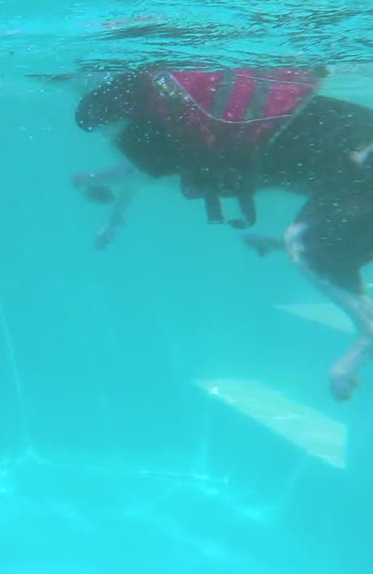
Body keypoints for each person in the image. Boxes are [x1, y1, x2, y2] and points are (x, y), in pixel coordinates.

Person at [71, 65, 373, 402]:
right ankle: (315, 248)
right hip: (351, 146)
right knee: (310, 241)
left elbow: (142, 173)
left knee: (305, 244)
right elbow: (142, 173)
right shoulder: (170, 107)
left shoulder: (143, 126)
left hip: (358, 156)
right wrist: (111, 211)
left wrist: (90, 186)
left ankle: (364, 335)